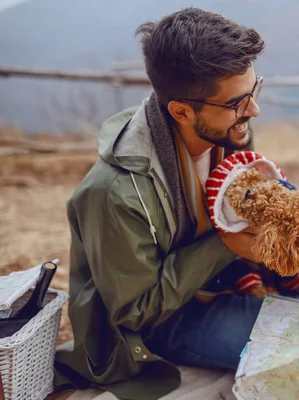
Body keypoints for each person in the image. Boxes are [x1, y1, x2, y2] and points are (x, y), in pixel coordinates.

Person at [54, 8, 268, 399]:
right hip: (157, 326)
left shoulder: (230, 133)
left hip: (226, 280)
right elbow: (135, 311)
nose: (253, 109)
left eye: (255, 90)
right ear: (182, 111)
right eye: (239, 102)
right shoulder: (113, 192)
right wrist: (226, 245)